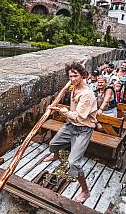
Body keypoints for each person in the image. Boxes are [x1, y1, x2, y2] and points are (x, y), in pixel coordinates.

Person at [43, 62, 97, 203]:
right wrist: (55, 107)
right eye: (70, 76)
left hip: (83, 129)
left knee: (74, 163)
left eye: (75, 76)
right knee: (53, 144)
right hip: (70, 126)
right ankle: (55, 156)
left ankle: (85, 191)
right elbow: (71, 108)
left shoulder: (87, 95)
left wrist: (63, 111)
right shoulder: (74, 87)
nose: (72, 79)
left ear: (83, 75)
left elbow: (79, 116)